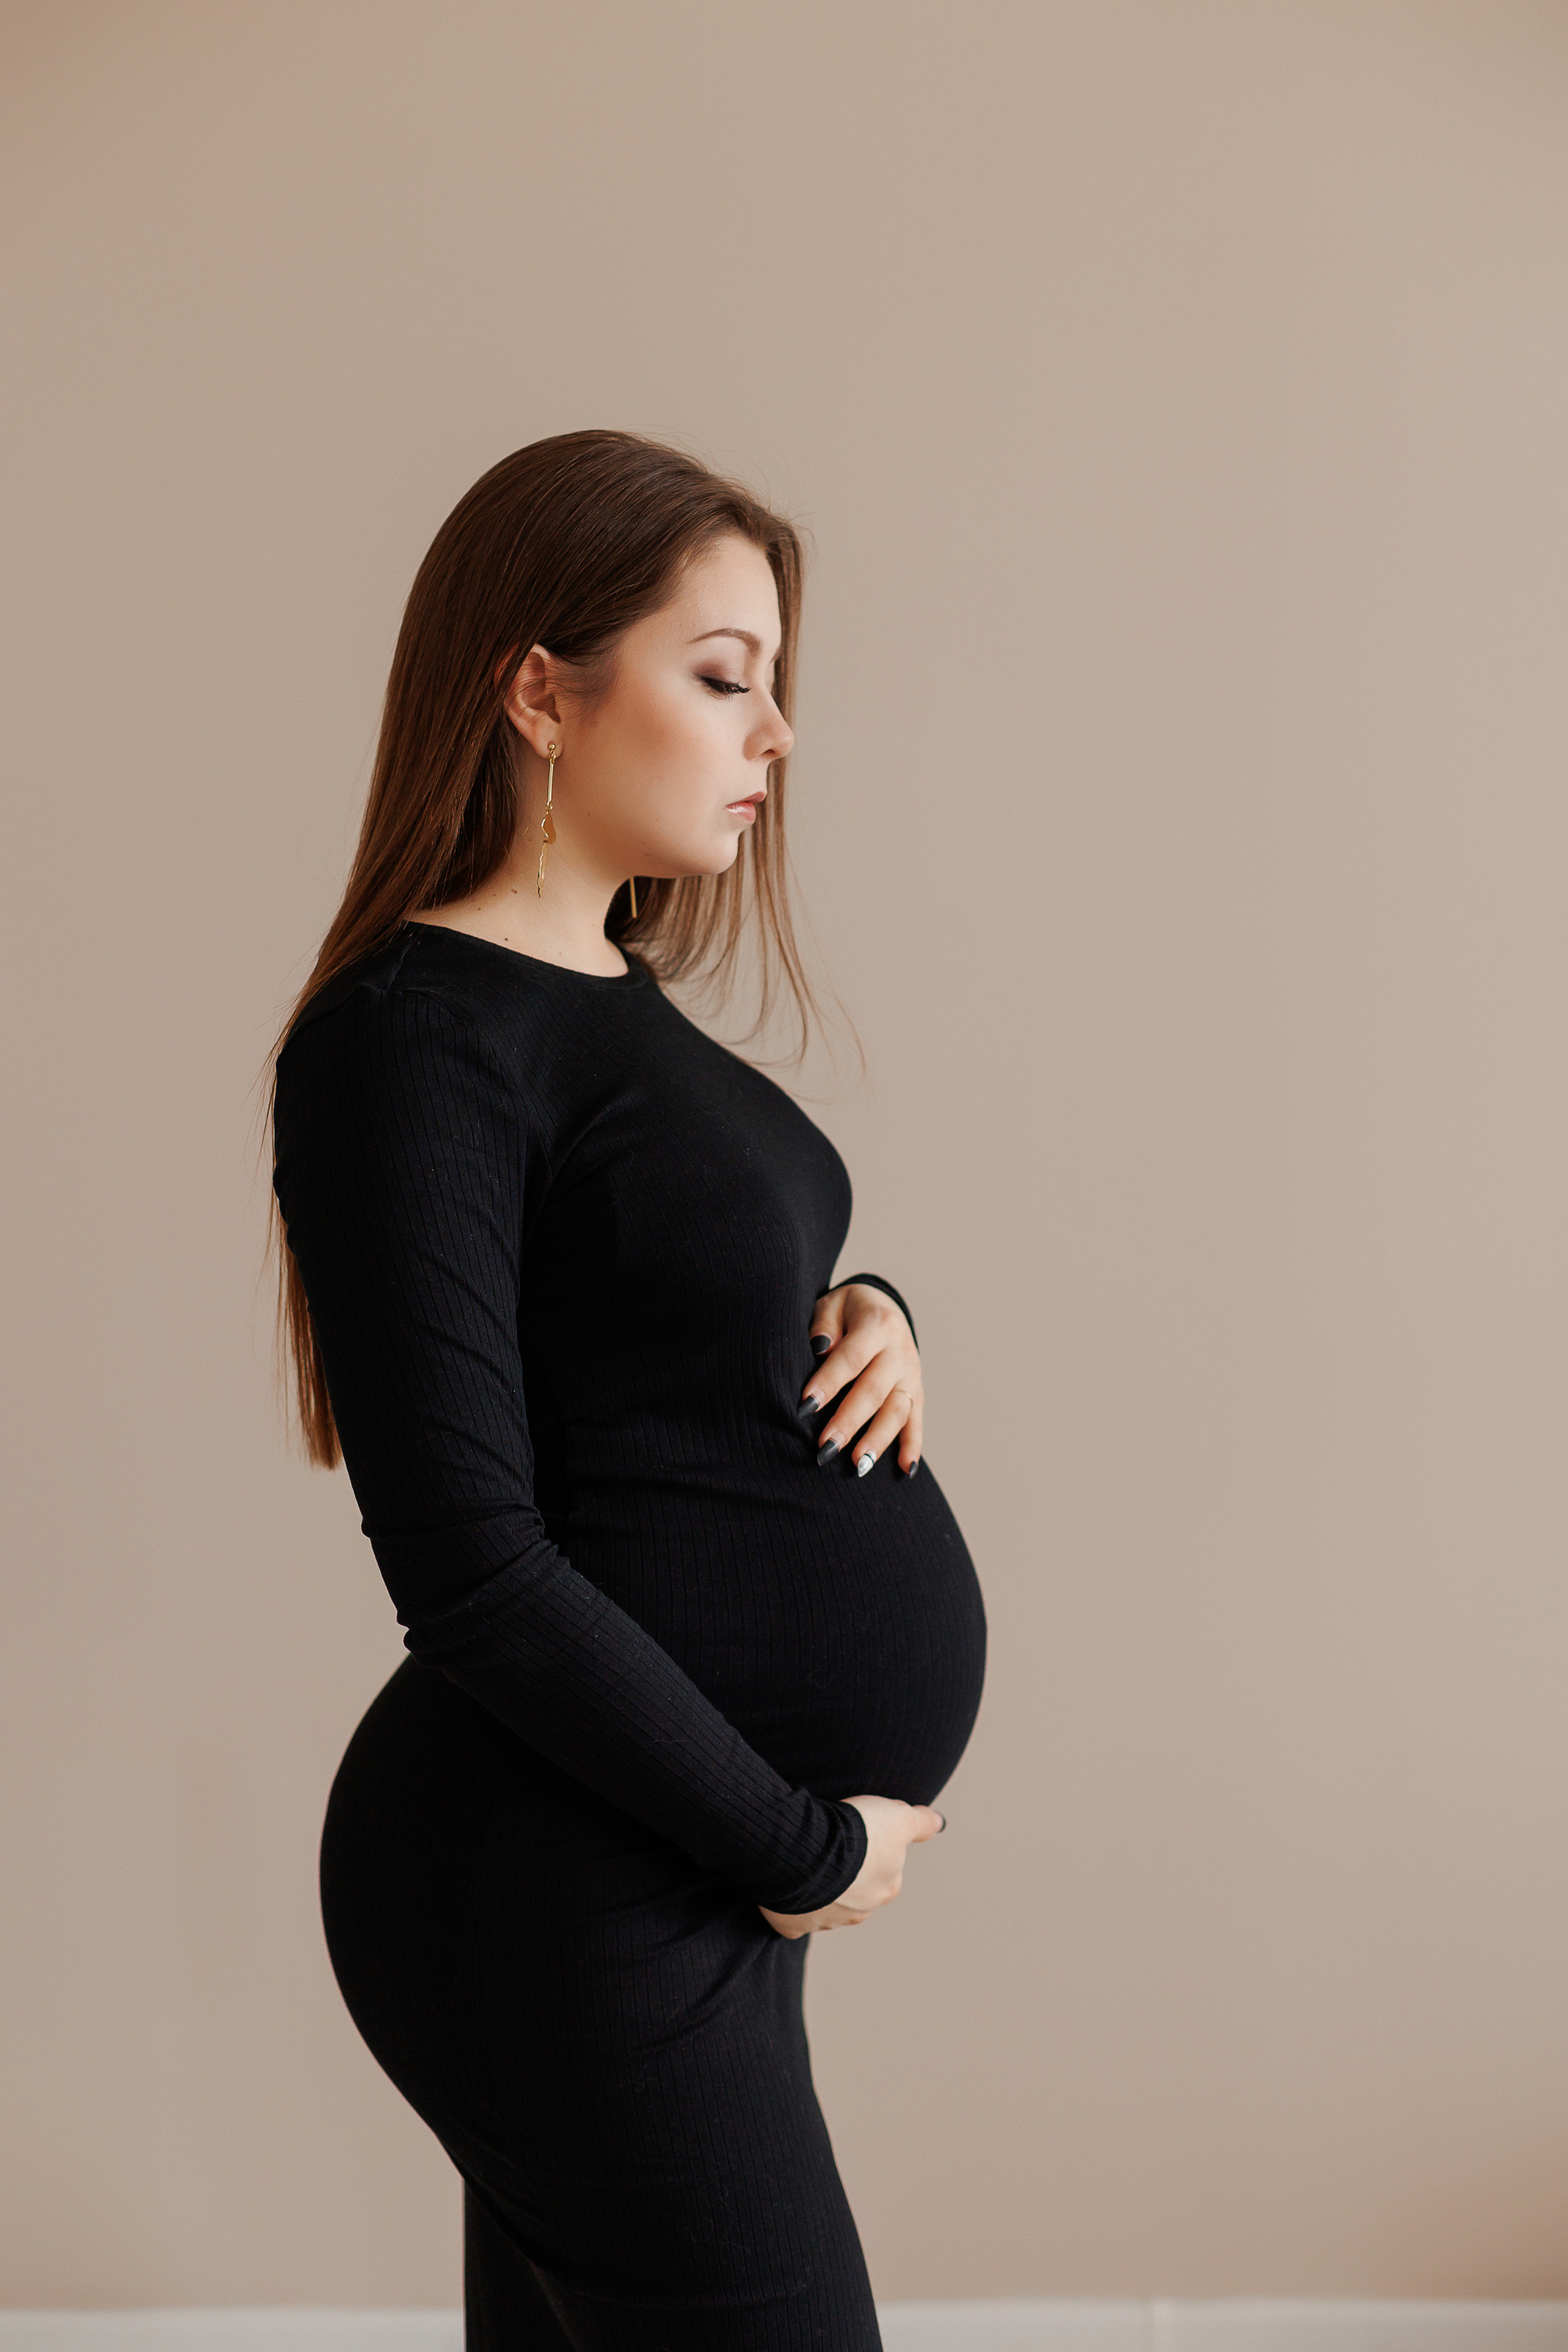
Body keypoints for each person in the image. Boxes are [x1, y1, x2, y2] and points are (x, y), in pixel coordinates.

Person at [270, 429, 987, 2350]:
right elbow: (472, 1562)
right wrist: (802, 1844)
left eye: (777, 688)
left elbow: (662, 1316)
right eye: (722, 674)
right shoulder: (409, 1039)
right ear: (537, 690)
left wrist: (868, 1309)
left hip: (659, 1856)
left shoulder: (609, 998)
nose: (776, 738)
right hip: (562, 1882)